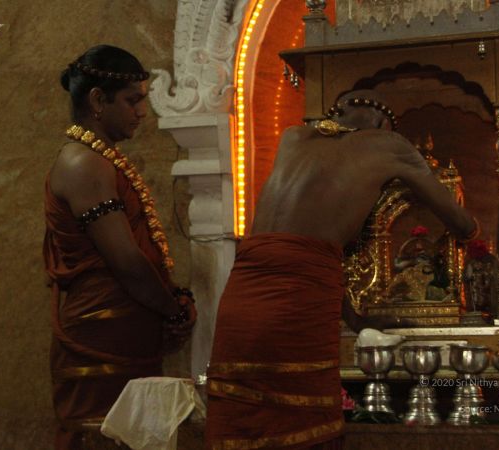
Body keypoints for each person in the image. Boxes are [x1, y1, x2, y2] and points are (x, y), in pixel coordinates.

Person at [205, 89, 478, 449]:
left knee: (242, 423)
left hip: (241, 297)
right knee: (302, 426)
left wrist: (355, 319)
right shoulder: (390, 145)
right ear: (382, 124)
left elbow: (298, 248)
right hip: (297, 303)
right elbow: (461, 224)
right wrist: (474, 233)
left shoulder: (292, 138)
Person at [43, 45, 196, 449]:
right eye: (133, 100)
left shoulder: (100, 158)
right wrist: (173, 308)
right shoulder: (83, 163)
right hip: (102, 332)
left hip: (123, 327)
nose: (142, 112)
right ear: (98, 100)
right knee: (103, 437)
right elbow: (126, 260)